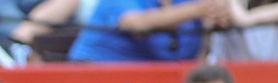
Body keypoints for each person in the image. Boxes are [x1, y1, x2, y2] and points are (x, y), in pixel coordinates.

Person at [67, 0, 231, 62]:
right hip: (93, 81)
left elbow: (199, 59)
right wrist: (200, 9)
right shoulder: (199, 6)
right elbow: (136, 23)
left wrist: (214, 21)